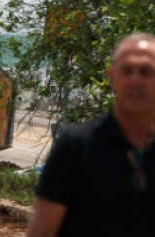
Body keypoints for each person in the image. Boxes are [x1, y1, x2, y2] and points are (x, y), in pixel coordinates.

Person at [26, 33, 155, 236]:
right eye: (127, 70)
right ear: (112, 77)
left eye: (146, 71)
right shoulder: (76, 148)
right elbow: (42, 231)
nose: (136, 80)